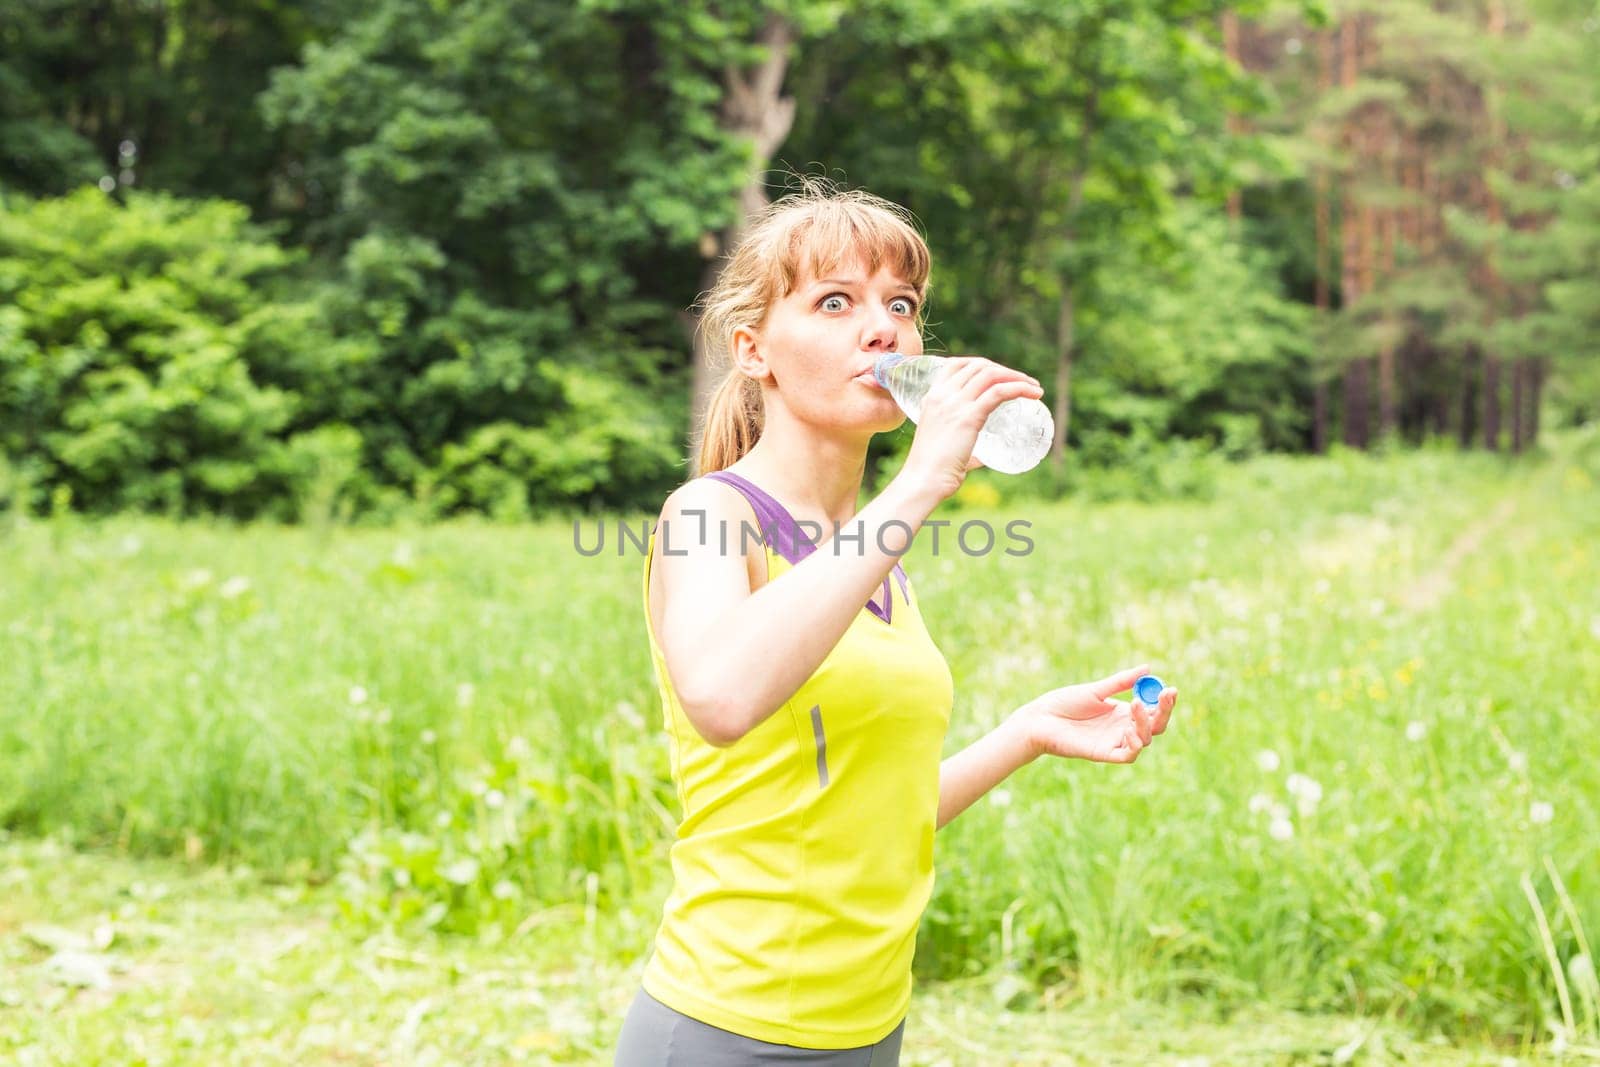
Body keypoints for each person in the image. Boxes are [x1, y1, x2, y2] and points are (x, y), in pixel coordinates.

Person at [614, 179, 1177, 1066]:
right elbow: (720, 698)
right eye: (835, 301)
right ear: (752, 349)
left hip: (869, 1027)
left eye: (900, 304)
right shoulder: (710, 516)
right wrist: (920, 484)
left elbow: (877, 809)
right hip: (731, 1024)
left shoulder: (871, 559)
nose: (882, 328)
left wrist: (1024, 734)